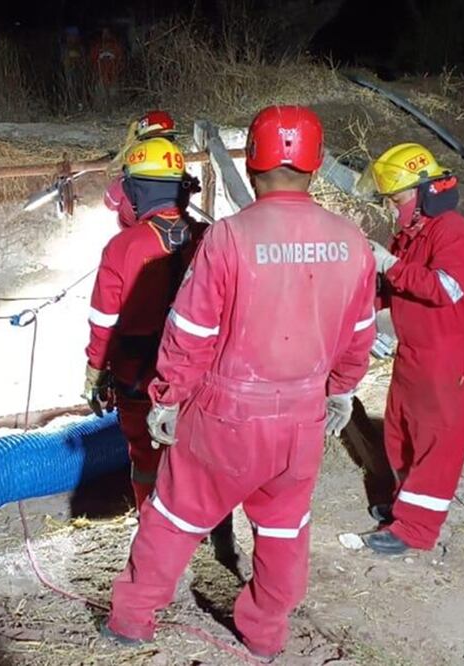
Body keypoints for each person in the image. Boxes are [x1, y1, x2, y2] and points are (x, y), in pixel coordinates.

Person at [104, 105, 377, 661]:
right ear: (316, 165)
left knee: (175, 516)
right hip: (301, 420)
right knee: (283, 530)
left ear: (250, 163)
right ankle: (265, 633)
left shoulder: (229, 237)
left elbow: (191, 330)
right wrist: (342, 389)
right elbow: (360, 334)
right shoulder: (351, 241)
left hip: (225, 415)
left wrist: (168, 395)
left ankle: (133, 619)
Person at [362, 143, 464, 555]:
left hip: (445, 358)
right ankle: (403, 508)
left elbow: (445, 287)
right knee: (400, 433)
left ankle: (416, 530)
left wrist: (389, 265)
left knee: (436, 443)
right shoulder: (409, 235)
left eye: (396, 200)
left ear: (421, 194)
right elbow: (390, 288)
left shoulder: (451, 230)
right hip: (412, 353)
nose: (393, 209)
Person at [84, 136, 203, 511]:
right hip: (199, 374)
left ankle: (153, 524)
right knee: (196, 452)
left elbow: (104, 322)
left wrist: (94, 373)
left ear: (135, 190)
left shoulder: (122, 247)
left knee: (145, 456)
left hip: (138, 377)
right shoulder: (208, 238)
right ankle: (198, 523)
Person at [104, 110, 178, 231]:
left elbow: (110, 201)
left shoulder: (128, 184)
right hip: (172, 231)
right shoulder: (176, 170)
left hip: (137, 233)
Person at [89, 27, 124, 108]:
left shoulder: (116, 46)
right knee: (100, 98)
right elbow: (92, 61)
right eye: (104, 32)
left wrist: (118, 71)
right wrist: (95, 73)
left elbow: (121, 60)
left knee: (113, 97)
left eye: (107, 32)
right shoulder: (97, 46)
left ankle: (114, 112)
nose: (105, 35)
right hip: (100, 76)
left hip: (113, 76)